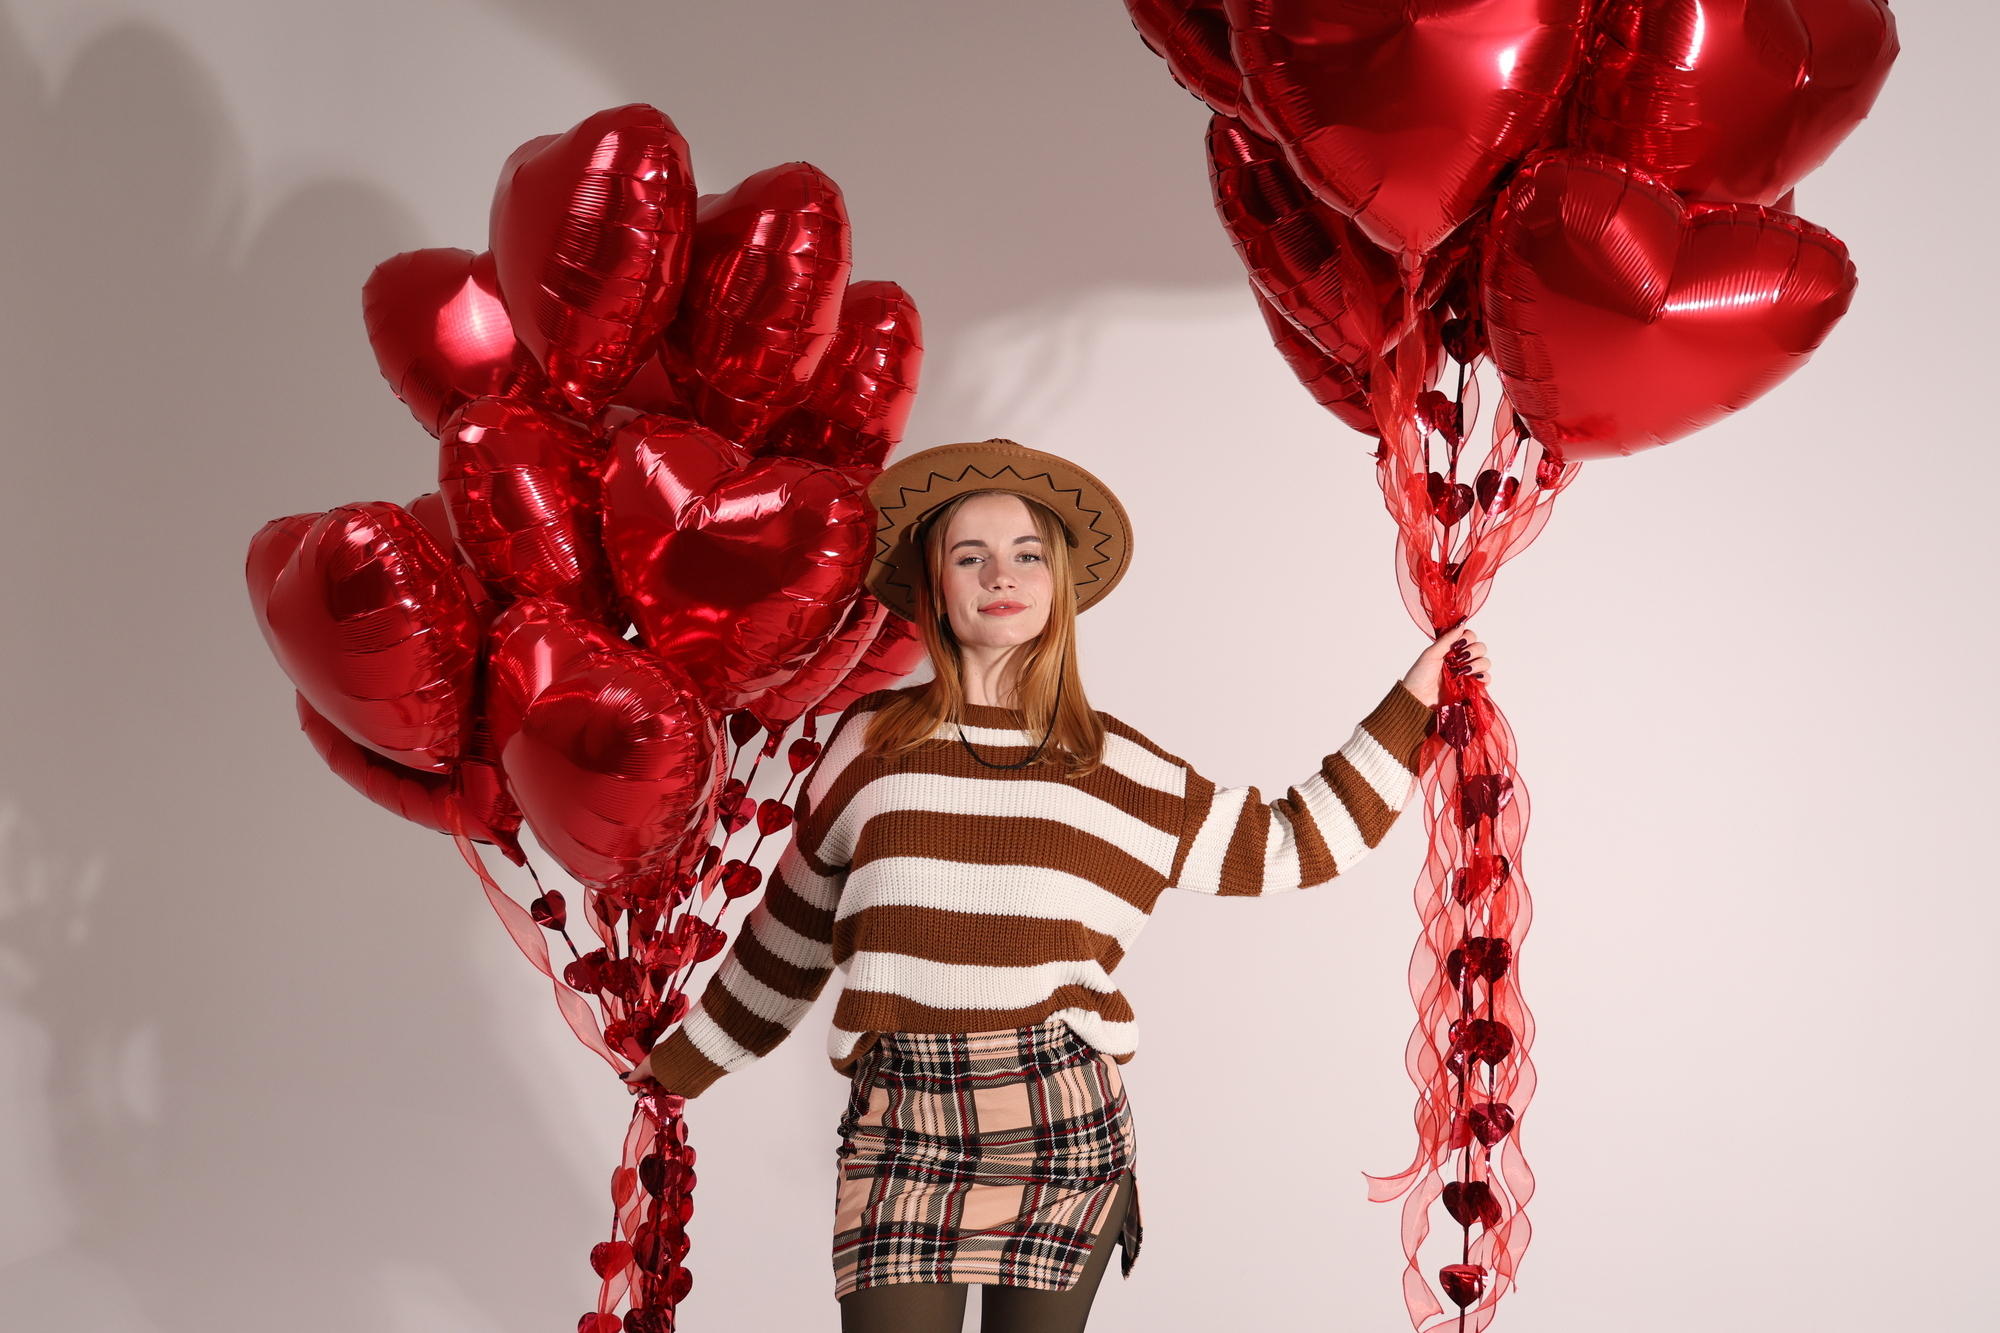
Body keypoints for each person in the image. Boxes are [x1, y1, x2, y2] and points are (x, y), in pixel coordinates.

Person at [623, 439, 1492, 1331]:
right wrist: (680, 1066)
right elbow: (790, 934)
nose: (1001, 575)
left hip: (1061, 1125)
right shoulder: (869, 743)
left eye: (1027, 554)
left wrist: (1413, 699)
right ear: (934, 585)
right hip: (899, 1128)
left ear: (1059, 585)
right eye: (970, 556)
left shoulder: (1116, 765)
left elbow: (1292, 842)